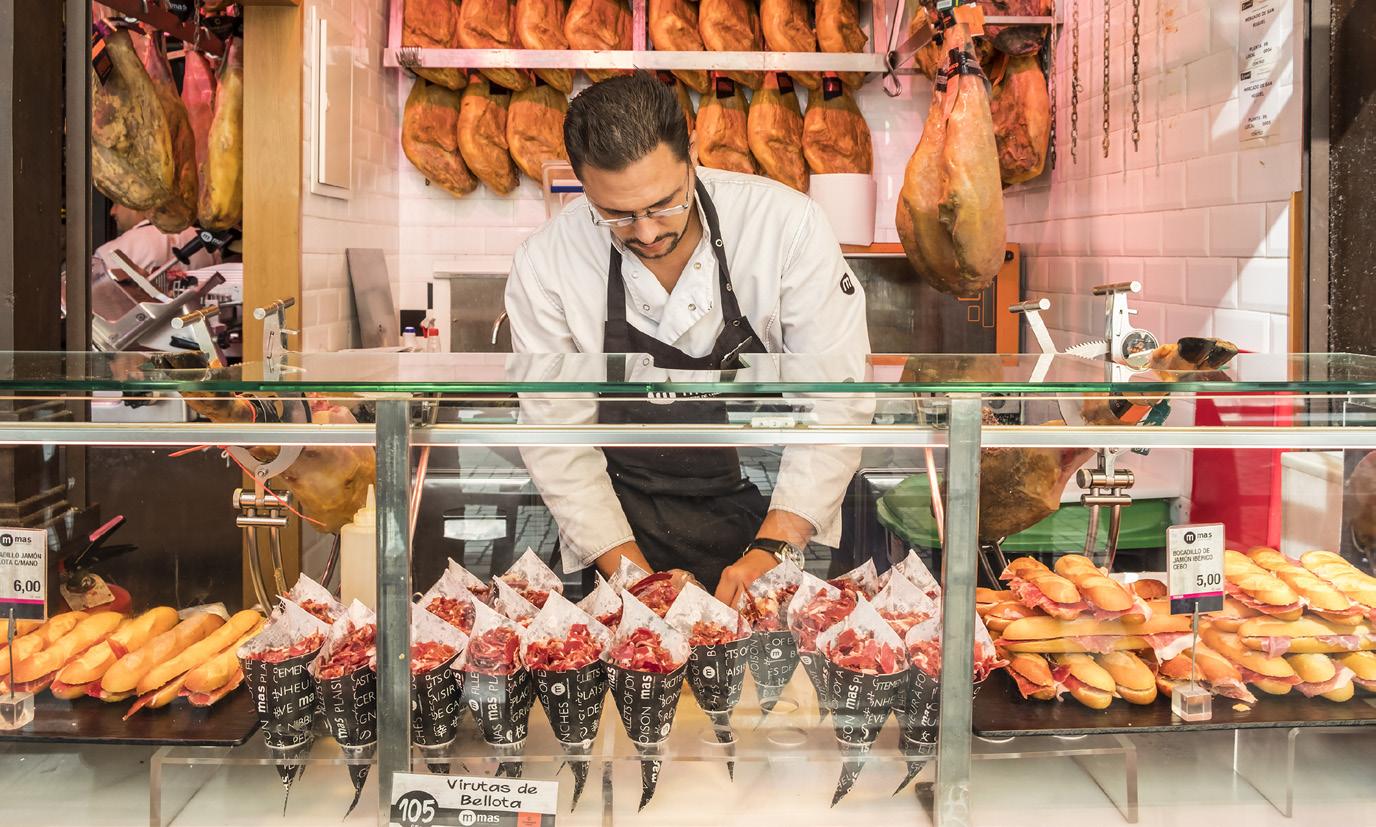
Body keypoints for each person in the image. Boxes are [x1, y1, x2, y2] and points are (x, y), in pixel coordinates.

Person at [505, 72, 872, 607]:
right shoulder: (546, 263)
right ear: (582, 186)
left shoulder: (784, 226)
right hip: (617, 525)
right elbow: (555, 435)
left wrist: (772, 549)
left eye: (663, 204)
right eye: (617, 214)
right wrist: (637, 581)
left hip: (769, 508)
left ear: (693, 153)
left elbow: (836, 402)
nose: (647, 232)